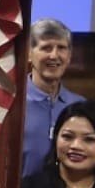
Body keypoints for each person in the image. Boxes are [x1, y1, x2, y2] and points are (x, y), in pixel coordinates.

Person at [22, 18, 85, 178]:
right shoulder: (13, 103)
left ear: (69, 56)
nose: (54, 55)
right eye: (46, 48)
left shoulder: (81, 106)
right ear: (29, 54)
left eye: (61, 48)